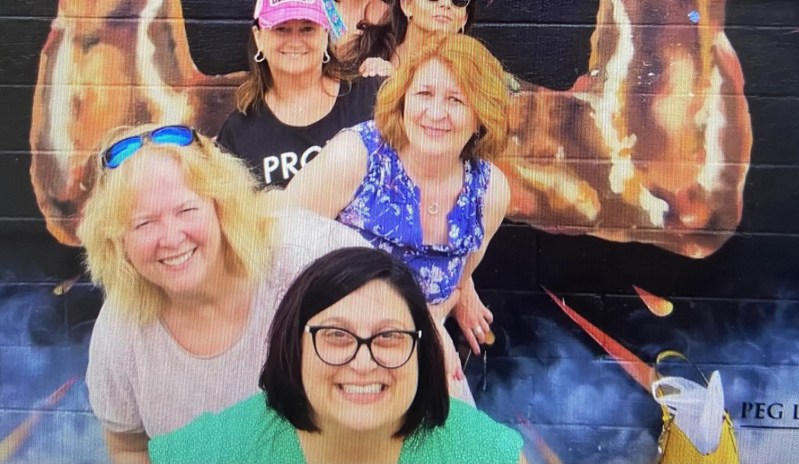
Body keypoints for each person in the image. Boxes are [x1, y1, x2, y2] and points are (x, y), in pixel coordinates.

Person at [79, 123, 369, 464]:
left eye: (186, 210)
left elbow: (404, 326)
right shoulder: (120, 330)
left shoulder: (304, 257)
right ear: (118, 243)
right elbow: (128, 446)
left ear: (221, 206)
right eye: (144, 224)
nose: (171, 238)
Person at [149, 247, 527, 464]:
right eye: (335, 335)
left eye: (390, 336)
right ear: (293, 345)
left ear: (422, 350)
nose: (363, 363)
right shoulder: (214, 453)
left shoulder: (485, 454)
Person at [284, 33, 511, 358]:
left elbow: (458, 281)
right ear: (403, 100)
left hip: (419, 350)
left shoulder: (489, 193)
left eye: (456, 100)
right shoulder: (356, 157)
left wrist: (432, 325)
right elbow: (280, 247)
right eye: (424, 93)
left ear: (480, 118)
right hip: (329, 342)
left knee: (462, 410)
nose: (436, 113)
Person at [216, 0, 379, 187]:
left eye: (307, 29)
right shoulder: (238, 131)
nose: (295, 41)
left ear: (325, 33)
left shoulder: (369, 96)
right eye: (281, 29)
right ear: (259, 37)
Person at [359, 0, 477, 77]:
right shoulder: (364, 47)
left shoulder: (472, 74)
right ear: (407, 5)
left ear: (465, 18)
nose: (446, 4)